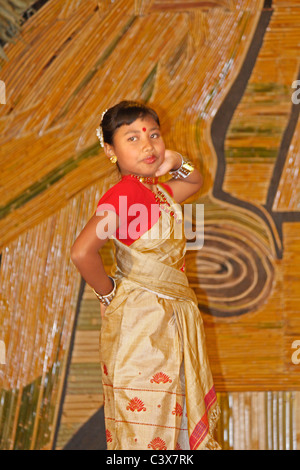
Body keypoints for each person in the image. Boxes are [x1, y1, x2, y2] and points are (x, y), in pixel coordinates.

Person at [71, 100, 220, 450]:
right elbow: (82, 252)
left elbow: (194, 181)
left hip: (167, 322)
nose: (148, 145)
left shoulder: (156, 193)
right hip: (144, 326)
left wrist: (176, 161)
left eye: (153, 134)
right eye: (132, 138)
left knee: (169, 423)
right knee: (149, 427)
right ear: (110, 150)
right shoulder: (125, 194)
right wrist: (109, 295)